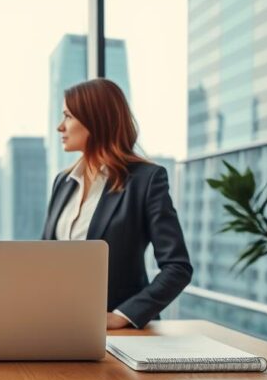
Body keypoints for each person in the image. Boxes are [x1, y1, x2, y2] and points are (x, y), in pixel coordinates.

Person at [43, 78, 192, 329]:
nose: (60, 126)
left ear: (95, 120)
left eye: (68, 116)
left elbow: (177, 267)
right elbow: (43, 258)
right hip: (58, 327)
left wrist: (123, 315)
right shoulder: (63, 182)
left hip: (118, 336)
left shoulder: (146, 180)